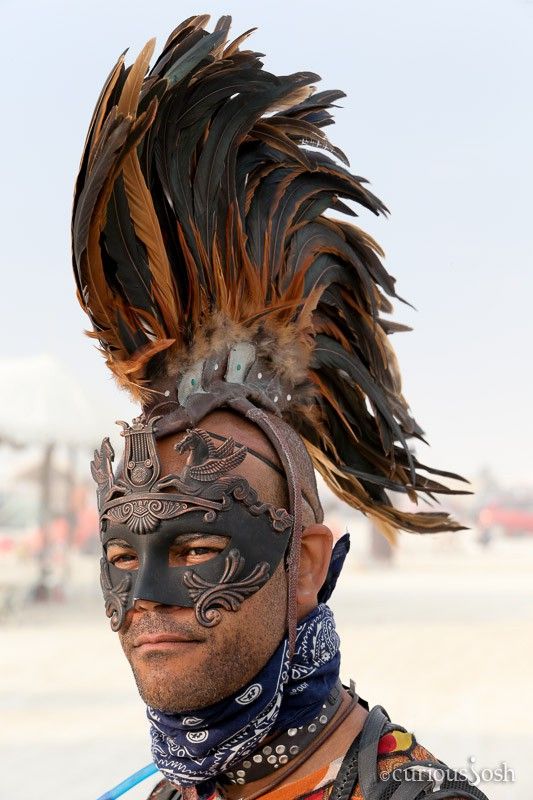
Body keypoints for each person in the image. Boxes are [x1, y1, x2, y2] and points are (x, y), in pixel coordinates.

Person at [72, 15, 489, 800]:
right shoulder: (160, 792)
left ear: (303, 565)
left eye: (196, 548)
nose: (144, 601)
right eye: (122, 558)